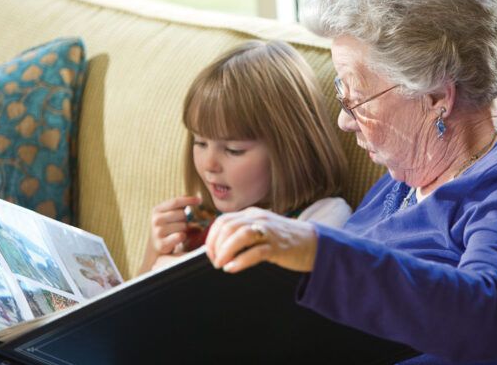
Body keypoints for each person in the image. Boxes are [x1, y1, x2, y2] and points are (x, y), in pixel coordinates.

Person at [204, 0, 497, 365]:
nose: (344, 121)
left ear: (436, 95)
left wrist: (315, 249)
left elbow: (487, 316)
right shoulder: (405, 176)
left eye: (356, 98)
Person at [139, 40, 351, 273]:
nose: (209, 165)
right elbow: (129, 307)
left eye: (233, 150)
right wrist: (155, 250)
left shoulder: (320, 219)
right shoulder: (196, 220)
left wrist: (177, 272)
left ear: (290, 148)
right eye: (200, 142)